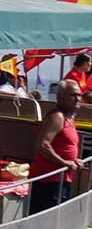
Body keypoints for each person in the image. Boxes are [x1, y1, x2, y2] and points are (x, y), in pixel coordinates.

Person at [30, 77, 84, 212]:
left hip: (61, 180)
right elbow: (43, 145)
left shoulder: (69, 118)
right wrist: (65, 163)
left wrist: (73, 160)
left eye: (79, 95)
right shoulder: (57, 117)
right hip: (49, 182)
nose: (77, 99)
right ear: (60, 97)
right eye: (72, 95)